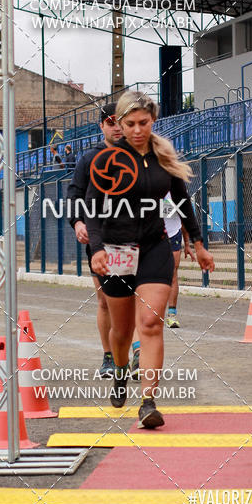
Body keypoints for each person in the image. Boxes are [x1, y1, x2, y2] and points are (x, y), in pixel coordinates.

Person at [87, 90, 214, 428]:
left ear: (152, 121)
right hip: (117, 250)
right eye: (130, 124)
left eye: (144, 122)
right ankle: (119, 370)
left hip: (155, 247)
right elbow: (92, 211)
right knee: (122, 330)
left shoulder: (163, 156)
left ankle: (148, 401)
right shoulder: (107, 161)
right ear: (120, 124)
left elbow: (183, 202)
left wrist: (198, 243)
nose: (138, 129)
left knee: (151, 324)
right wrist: (98, 249)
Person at [67, 104, 124, 378]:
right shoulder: (89, 159)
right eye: (111, 121)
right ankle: (108, 356)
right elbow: (75, 193)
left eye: (121, 121)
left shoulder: (138, 156)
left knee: (132, 299)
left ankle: (134, 354)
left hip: (133, 236)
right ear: (101, 126)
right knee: (105, 300)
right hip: (99, 237)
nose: (117, 126)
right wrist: (78, 222)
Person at [162, 192, 195, 328]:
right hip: (151, 236)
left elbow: (184, 220)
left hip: (173, 235)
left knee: (172, 274)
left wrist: (187, 244)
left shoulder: (175, 191)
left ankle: (172, 314)